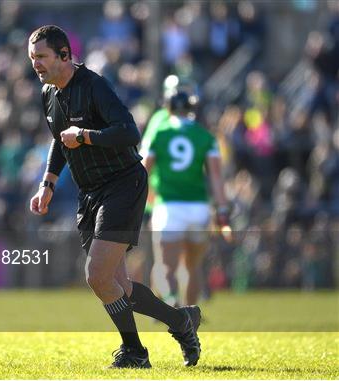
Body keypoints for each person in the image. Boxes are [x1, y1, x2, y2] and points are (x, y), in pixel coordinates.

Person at [28, 25, 201, 369]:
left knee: (97, 276)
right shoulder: (48, 92)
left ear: (65, 55)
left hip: (123, 184)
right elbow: (60, 139)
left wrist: (86, 136)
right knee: (119, 285)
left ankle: (135, 352)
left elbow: (128, 132)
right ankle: (181, 321)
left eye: (42, 57)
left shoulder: (94, 86)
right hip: (90, 193)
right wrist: (47, 183)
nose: (36, 65)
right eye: (32, 58)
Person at [140, 90, 230, 307]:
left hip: (168, 207)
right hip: (198, 207)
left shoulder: (159, 134)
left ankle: (173, 305)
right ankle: (190, 317)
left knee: (165, 267)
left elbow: (143, 172)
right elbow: (216, 178)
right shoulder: (205, 136)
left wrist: (144, 200)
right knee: (193, 267)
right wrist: (223, 209)